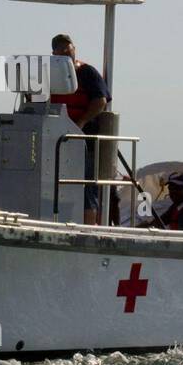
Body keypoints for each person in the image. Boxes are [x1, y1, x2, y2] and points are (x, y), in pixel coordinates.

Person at [50, 34, 110, 225]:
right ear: (54, 54)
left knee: (86, 186)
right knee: (58, 184)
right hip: (59, 138)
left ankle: (89, 228)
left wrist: (82, 122)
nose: (68, 53)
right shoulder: (50, 74)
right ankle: (58, 221)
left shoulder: (87, 72)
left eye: (70, 49)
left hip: (85, 139)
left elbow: (101, 100)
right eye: (63, 51)